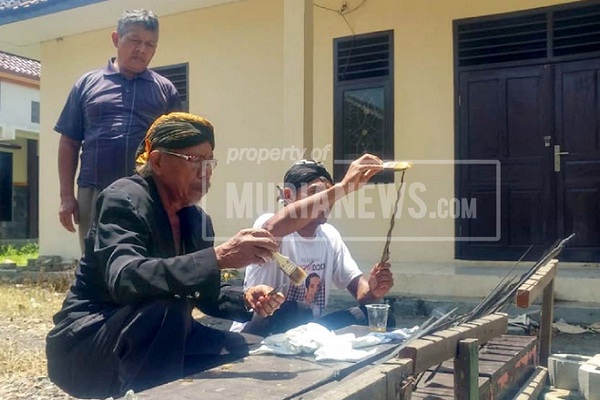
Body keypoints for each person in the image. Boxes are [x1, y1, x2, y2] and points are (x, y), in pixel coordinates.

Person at [46, 112, 284, 399]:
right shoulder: (124, 198)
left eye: (210, 162)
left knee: (242, 348)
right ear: (157, 161)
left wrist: (246, 298)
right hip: (90, 344)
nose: (206, 171)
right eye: (195, 160)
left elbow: (205, 294)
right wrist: (219, 256)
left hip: (158, 335)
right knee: (166, 308)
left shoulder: (196, 220)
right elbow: (125, 277)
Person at [56, 9, 182, 251]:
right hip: (94, 190)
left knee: (143, 260)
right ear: (116, 39)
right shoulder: (87, 84)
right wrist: (66, 196)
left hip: (146, 192)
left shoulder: (165, 90)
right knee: (94, 263)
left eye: (150, 44)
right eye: (134, 40)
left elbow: (176, 148)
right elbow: (69, 142)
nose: (142, 50)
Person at [233, 157, 395, 336]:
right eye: (315, 193)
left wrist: (374, 289)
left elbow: (363, 295)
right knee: (296, 311)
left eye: (328, 194)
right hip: (263, 328)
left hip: (307, 330)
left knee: (378, 317)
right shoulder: (269, 223)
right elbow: (273, 228)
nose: (326, 201)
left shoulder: (330, 236)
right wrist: (342, 188)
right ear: (288, 196)